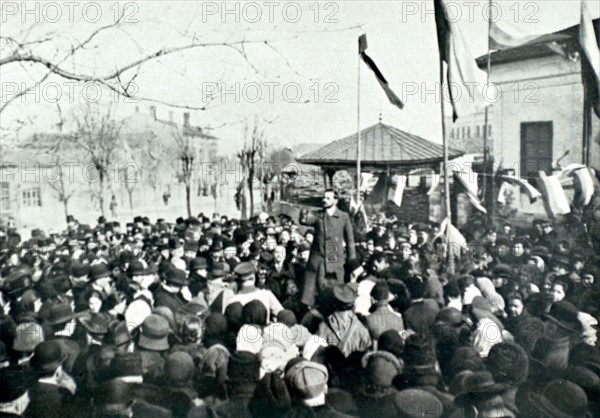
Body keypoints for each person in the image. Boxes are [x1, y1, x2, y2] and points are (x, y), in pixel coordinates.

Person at [299, 189, 356, 307]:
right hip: (316, 258)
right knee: (309, 296)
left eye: (328, 198)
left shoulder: (343, 217)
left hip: (333, 253)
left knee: (334, 294)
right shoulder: (319, 215)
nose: (324, 200)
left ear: (335, 200)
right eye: (323, 198)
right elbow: (304, 220)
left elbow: (350, 241)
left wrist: (352, 262)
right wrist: (304, 211)